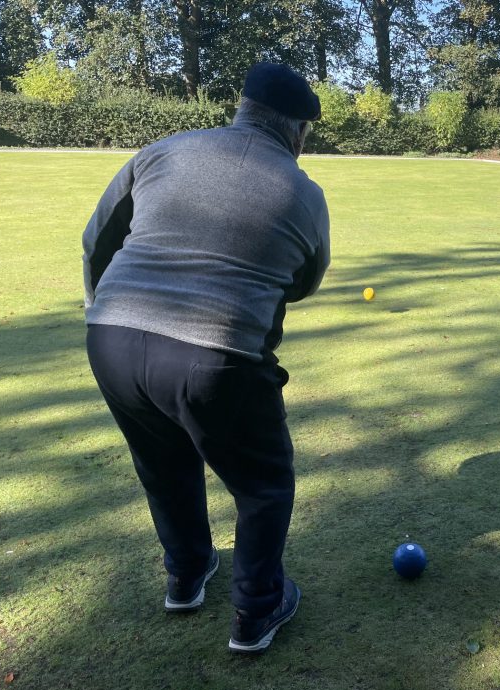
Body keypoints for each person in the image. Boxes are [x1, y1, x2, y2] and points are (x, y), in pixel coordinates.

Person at [82, 63, 330, 654]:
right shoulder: (304, 191)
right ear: (298, 132)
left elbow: (98, 240)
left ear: (241, 107)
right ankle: (256, 609)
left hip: (110, 338)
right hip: (215, 354)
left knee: (162, 464)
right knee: (264, 484)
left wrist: (104, 309)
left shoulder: (162, 151)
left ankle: (187, 576)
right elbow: (303, 281)